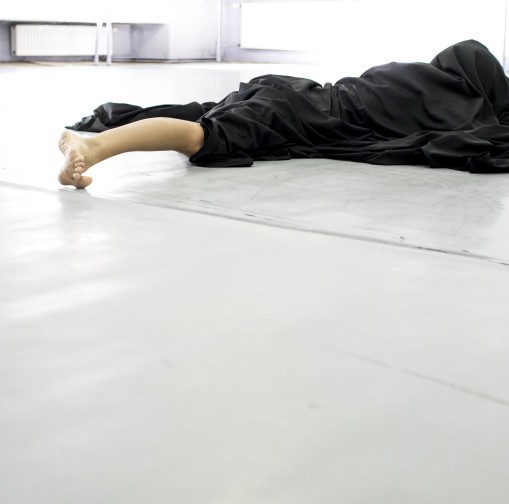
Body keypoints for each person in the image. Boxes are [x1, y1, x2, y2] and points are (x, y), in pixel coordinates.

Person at [58, 39, 509, 189]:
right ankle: (93, 146)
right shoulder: (462, 106)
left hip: (294, 93)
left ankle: (97, 137)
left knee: (208, 120)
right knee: (203, 136)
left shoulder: (434, 77)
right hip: (298, 112)